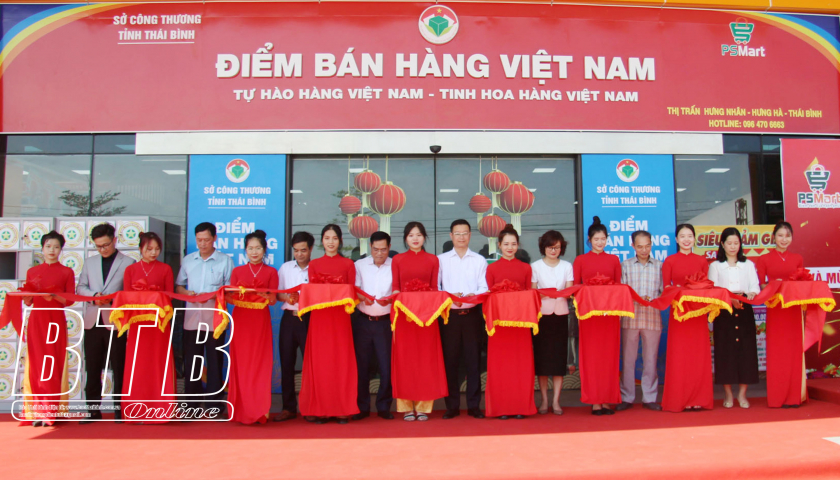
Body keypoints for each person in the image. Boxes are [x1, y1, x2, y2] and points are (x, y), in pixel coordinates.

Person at [299, 224, 359, 424]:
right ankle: (320, 409)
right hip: (320, 319)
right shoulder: (314, 265)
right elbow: (312, 293)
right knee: (321, 363)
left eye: (334, 238)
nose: (331, 242)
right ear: (322, 241)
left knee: (340, 362)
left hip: (341, 319)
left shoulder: (348, 264)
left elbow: (352, 293)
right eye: (327, 238)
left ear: (340, 241)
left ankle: (342, 409)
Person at [76, 223, 134, 423]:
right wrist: (94, 296)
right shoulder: (89, 262)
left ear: (115, 240)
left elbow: (130, 292)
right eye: (99, 246)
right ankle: (93, 411)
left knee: (119, 366)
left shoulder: (128, 262)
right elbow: (80, 287)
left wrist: (112, 299)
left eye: (106, 245)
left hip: (116, 320)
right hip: (92, 321)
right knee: (92, 368)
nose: (103, 249)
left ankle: (119, 410)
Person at [391, 221, 448, 421]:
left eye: (419, 235)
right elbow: (396, 288)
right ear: (405, 238)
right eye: (411, 235)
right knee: (405, 360)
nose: (415, 239)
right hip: (404, 318)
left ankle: (424, 406)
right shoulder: (397, 259)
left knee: (426, 360)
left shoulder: (433, 260)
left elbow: (434, 288)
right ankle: (406, 407)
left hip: (427, 318)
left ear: (424, 237)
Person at [175, 222, 234, 413]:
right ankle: (191, 404)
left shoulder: (225, 261)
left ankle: (214, 405)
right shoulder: (188, 260)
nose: (202, 244)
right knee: (192, 362)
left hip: (215, 321)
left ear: (214, 239)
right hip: (192, 320)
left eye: (206, 240)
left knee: (215, 362)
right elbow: (179, 286)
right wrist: (187, 293)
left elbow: (230, 290)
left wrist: (213, 295)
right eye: (199, 240)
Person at [19, 231, 75, 426]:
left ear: (61, 250)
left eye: (56, 247)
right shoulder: (32, 272)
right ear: (42, 248)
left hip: (55, 321)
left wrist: (53, 296)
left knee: (52, 363)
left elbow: (69, 300)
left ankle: (51, 411)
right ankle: (37, 411)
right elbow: (29, 301)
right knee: (36, 364)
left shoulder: (67, 272)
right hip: (37, 321)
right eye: (48, 246)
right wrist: (26, 297)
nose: (52, 250)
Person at [225, 230, 279, 424]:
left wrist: (264, 296)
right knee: (242, 363)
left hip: (260, 322)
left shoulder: (271, 272)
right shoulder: (237, 271)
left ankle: (259, 410)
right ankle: (241, 410)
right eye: (250, 248)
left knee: (259, 364)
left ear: (264, 250)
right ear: (245, 250)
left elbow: (273, 300)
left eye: (258, 248)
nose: (254, 252)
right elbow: (230, 297)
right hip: (241, 321)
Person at [121, 232, 175, 423]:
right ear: (140, 249)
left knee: (158, 362)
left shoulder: (166, 269)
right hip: (138, 324)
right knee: (138, 364)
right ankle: (136, 409)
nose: (153, 253)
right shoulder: (130, 270)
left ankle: (160, 408)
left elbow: (169, 297)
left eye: (157, 249)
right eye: (149, 249)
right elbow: (126, 298)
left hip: (159, 324)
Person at [485, 225, 538, 419]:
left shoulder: (525, 268)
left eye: (513, 244)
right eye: (506, 244)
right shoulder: (491, 268)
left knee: (520, 366)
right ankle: (501, 408)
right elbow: (489, 297)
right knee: (500, 366)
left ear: (518, 245)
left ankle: (522, 407)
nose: (510, 247)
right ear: (499, 245)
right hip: (499, 326)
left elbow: (528, 296)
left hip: (520, 325)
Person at [437, 219, 487, 419]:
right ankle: (452, 406)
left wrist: (472, 295)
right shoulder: (441, 260)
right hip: (449, 317)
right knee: (450, 361)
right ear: (451, 236)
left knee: (474, 361)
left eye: (465, 233)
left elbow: (484, 287)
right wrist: (449, 297)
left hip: (472, 316)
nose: (461, 237)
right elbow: (436, 288)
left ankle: (474, 405)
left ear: (470, 235)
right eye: (457, 233)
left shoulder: (479, 260)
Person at [661, 223, 713, 413]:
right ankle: (680, 399)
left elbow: (706, 287)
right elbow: (666, 288)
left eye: (689, 236)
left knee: (698, 355)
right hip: (680, 314)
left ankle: (698, 398)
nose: (686, 240)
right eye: (682, 236)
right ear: (676, 239)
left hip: (698, 314)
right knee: (680, 355)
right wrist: (679, 291)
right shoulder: (670, 261)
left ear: (694, 238)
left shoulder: (701, 260)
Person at [572, 216, 622, 415]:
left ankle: (608, 399)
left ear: (607, 239)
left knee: (609, 357)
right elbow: (576, 288)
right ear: (589, 240)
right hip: (589, 316)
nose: (600, 242)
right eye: (596, 239)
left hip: (610, 316)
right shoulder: (581, 260)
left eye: (603, 239)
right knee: (591, 357)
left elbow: (618, 287)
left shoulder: (613, 260)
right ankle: (594, 401)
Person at [756, 221, 806, 408]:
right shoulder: (764, 259)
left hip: (793, 309)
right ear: (773, 237)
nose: (784, 239)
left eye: (788, 236)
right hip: (776, 308)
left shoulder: (797, 258)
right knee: (777, 351)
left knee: (794, 351)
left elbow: (801, 282)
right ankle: (777, 397)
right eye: (780, 235)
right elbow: (761, 285)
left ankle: (794, 397)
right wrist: (776, 286)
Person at [708, 227, 760, 409]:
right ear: (722, 244)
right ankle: (728, 394)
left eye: (736, 243)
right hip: (724, 311)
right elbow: (713, 289)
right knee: (725, 352)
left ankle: (742, 394)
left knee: (746, 352)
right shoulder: (715, 266)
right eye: (729, 243)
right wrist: (730, 300)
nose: (732, 246)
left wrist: (750, 294)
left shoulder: (748, 264)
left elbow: (755, 286)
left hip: (744, 309)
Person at [616, 230, 664, 412]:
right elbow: (621, 292)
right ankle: (627, 397)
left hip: (652, 317)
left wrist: (654, 299)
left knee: (650, 359)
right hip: (630, 318)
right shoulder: (625, 266)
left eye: (647, 246)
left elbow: (664, 293)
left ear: (652, 244)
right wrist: (637, 298)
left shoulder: (660, 266)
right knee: (628, 359)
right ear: (633, 246)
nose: (644, 250)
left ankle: (649, 397)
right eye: (640, 246)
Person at [352, 231, 395, 420]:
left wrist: (391, 299)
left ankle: (384, 406)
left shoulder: (395, 265)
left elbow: (399, 290)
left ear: (389, 248)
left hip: (385, 323)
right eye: (376, 249)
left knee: (386, 367)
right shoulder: (359, 265)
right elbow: (354, 289)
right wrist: (362, 297)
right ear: (370, 247)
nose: (379, 253)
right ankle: (362, 407)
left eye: (383, 249)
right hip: (363, 321)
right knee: (362, 366)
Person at [530, 229, 573, 415]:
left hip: (560, 316)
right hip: (542, 317)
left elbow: (569, 292)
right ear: (543, 247)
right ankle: (544, 401)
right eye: (550, 247)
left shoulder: (567, 266)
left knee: (558, 361)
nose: (553, 250)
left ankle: (556, 401)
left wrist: (556, 293)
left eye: (557, 247)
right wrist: (548, 294)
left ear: (561, 248)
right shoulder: (535, 266)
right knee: (542, 362)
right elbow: (532, 292)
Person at [273, 231, 313, 422]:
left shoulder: (315, 269)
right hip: (289, 319)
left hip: (309, 319)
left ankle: (310, 407)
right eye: (296, 250)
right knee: (287, 363)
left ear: (311, 249)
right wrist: (288, 297)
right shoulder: (285, 268)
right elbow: (277, 294)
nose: (299, 254)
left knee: (310, 365)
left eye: (303, 250)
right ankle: (288, 407)